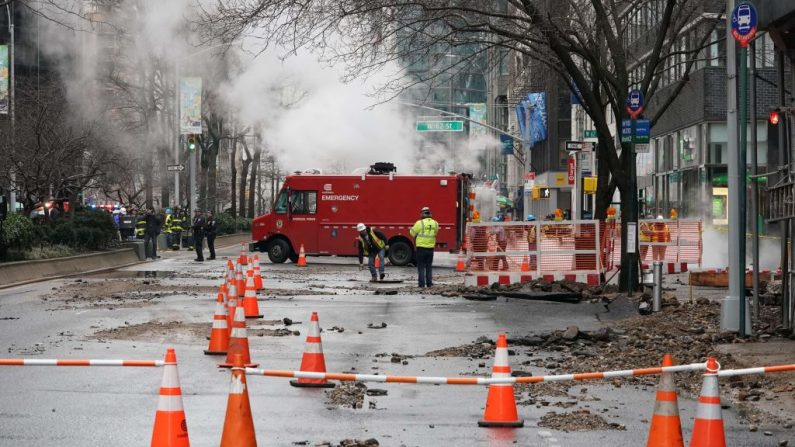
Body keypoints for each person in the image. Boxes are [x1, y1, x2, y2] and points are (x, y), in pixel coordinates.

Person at [410, 206, 439, 288]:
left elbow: (412, 233)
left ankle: (421, 284)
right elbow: (435, 233)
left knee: (421, 267)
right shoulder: (435, 223)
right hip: (430, 248)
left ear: (422, 214)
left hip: (421, 248)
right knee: (429, 266)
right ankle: (429, 284)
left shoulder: (419, 223)